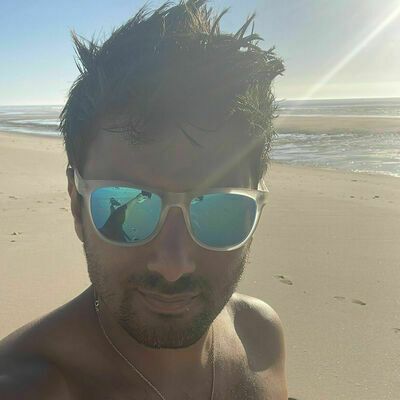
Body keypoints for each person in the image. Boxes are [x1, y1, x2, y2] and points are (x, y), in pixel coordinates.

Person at [0, 1, 287, 398]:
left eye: (220, 209)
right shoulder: (28, 386)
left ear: (256, 214)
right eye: (129, 202)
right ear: (77, 207)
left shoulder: (260, 335)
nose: (172, 266)